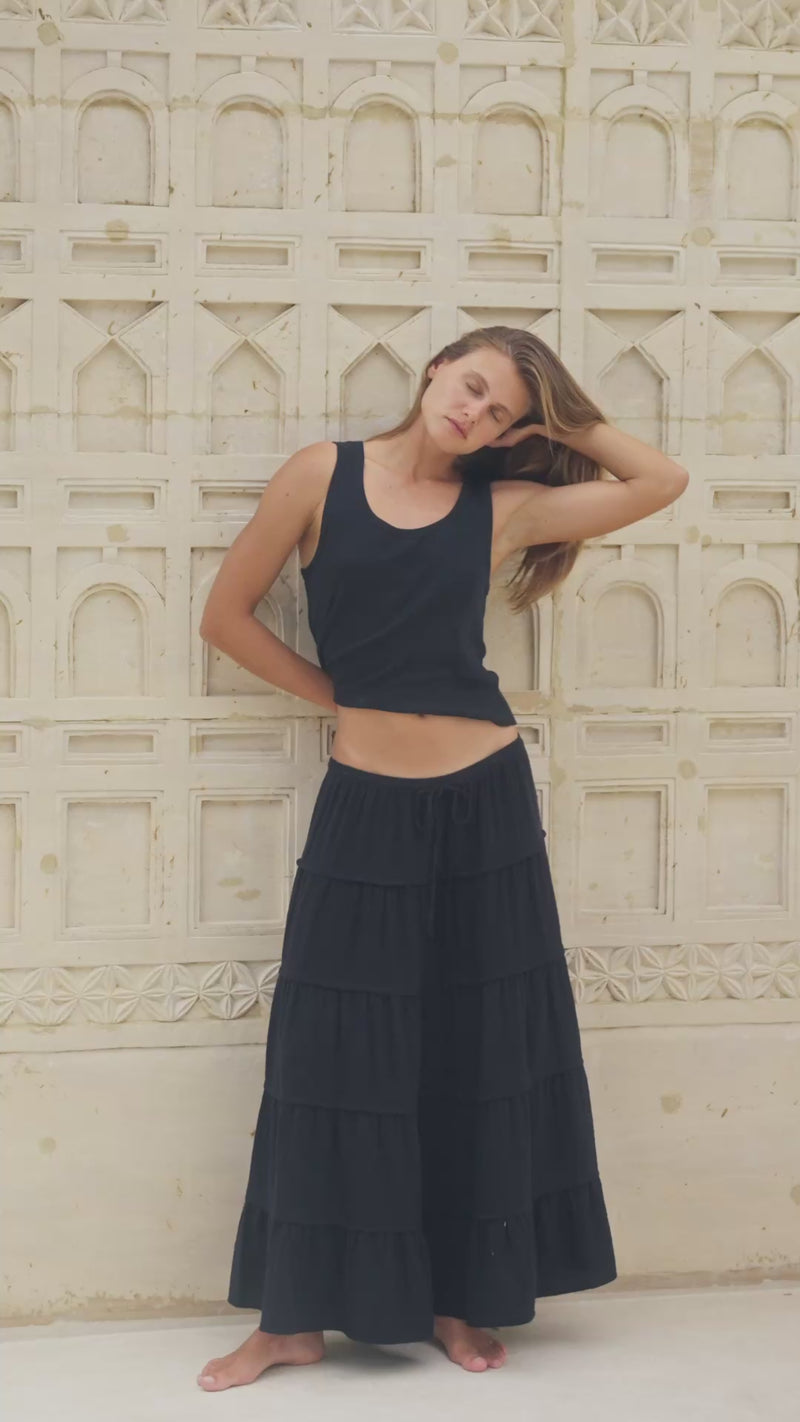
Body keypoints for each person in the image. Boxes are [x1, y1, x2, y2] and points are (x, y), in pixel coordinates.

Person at [196, 325, 689, 1388]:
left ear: (512, 432)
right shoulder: (320, 476)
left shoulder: (502, 509)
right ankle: (291, 1321)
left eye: (499, 410)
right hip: (365, 804)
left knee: (478, 1050)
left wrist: (560, 418)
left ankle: (459, 1300)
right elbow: (225, 618)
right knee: (328, 1058)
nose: (473, 412)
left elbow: (661, 482)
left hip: (484, 803)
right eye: (469, 386)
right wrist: (341, 699)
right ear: (432, 372)